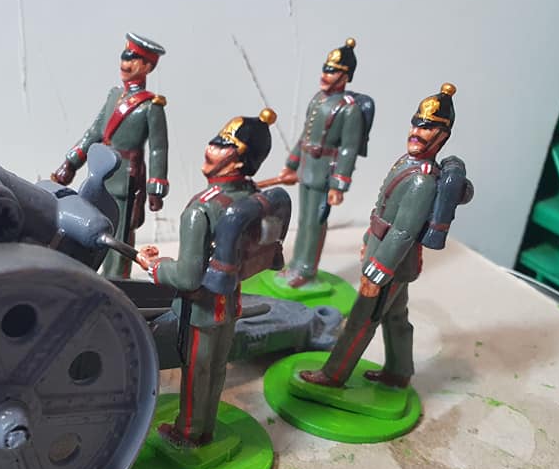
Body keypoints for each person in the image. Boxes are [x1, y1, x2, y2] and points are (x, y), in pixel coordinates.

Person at [300, 83, 460, 389]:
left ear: (442, 136)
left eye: (427, 128)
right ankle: (399, 371)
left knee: (362, 319)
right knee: (396, 318)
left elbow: (403, 231)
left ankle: (334, 374)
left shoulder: (422, 180)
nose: (417, 132)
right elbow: (384, 212)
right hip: (385, 254)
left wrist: (377, 271)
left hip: (391, 265)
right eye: (416, 124)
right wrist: (367, 242)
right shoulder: (409, 163)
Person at [137, 109, 277, 445]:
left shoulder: (200, 209)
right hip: (230, 303)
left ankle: (188, 432)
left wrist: (153, 266)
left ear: (238, 159)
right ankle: (206, 427)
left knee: (196, 372)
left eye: (222, 144)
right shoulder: (250, 197)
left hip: (200, 310)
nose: (210, 148)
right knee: (216, 370)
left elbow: (188, 276)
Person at [51, 33, 168, 279]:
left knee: (118, 232)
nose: (125, 64)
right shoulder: (114, 96)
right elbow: (94, 132)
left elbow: (159, 148)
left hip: (126, 178)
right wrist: (70, 163)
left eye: (133, 60)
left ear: (147, 67)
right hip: (99, 170)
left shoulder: (151, 106)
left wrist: (156, 188)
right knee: (90, 219)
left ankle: (116, 279)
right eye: (124, 58)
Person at [276, 38, 367, 287]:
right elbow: (305, 136)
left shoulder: (349, 109)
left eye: (333, 71)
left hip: (325, 173)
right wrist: (292, 163)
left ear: (345, 76)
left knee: (315, 223)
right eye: (326, 69)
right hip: (307, 169)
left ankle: (307, 270)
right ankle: (296, 264)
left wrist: (339, 185)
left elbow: (348, 149)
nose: (325, 75)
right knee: (303, 220)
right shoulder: (318, 99)